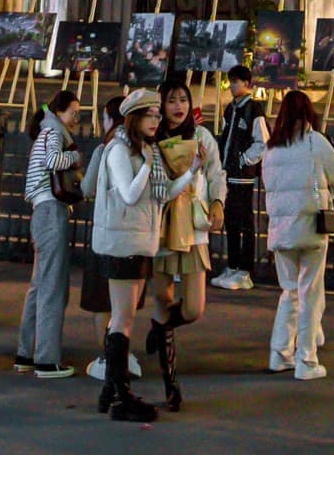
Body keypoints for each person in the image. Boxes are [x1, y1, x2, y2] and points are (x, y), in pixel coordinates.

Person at [90, 86, 195, 423]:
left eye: (156, 114)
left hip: (138, 243)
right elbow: (130, 194)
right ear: (133, 118)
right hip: (120, 244)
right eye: (149, 115)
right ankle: (120, 394)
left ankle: (111, 390)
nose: (155, 120)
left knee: (126, 318)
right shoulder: (120, 151)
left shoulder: (143, 151)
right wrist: (148, 163)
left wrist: (192, 171)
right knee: (122, 318)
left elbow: (160, 198)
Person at [147, 73, 226, 407]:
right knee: (161, 298)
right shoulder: (153, 139)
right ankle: (171, 385)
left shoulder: (203, 135)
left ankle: (159, 328)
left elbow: (216, 173)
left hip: (193, 227)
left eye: (183, 99)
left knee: (193, 308)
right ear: (161, 105)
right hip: (162, 227)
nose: (178, 106)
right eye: (171, 100)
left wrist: (219, 203)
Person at [259, 87, 334, 381]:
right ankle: (306, 360)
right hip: (310, 228)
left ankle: (279, 353)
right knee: (310, 292)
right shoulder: (315, 142)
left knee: (290, 291)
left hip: (280, 231)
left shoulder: (270, 148)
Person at [15, 88, 82, 378]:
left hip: (39, 213)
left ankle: (26, 352)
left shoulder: (44, 132)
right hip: (51, 211)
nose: (77, 119)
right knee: (53, 287)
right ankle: (47, 359)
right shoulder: (53, 133)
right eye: (74, 113)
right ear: (60, 111)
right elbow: (54, 161)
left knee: (39, 285)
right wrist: (76, 157)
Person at [80, 95, 144, 383]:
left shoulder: (105, 149)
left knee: (101, 302)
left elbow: (87, 188)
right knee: (125, 306)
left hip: (106, 233)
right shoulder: (140, 151)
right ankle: (122, 354)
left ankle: (107, 357)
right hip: (134, 235)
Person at [213, 63, 268, 291]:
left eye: (236, 81)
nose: (232, 86)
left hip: (243, 176)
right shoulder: (230, 109)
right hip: (229, 173)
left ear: (247, 84)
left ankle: (245, 269)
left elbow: (263, 141)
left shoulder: (253, 110)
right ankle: (233, 264)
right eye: (231, 81)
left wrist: (244, 160)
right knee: (232, 221)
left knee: (244, 220)